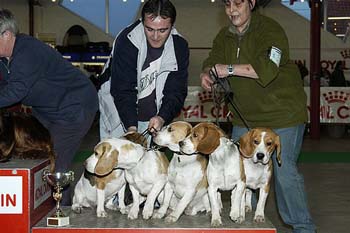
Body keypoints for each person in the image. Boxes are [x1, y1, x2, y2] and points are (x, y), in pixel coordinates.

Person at [200, 1, 316, 232]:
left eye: (238, 2)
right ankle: (248, 225)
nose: (232, 9)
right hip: (246, 120)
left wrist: (228, 69)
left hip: (283, 116)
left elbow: (266, 69)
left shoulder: (271, 30)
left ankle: (303, 227)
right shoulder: (224, 36)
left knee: (284, 173)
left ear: (251, 3)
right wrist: (207, 73)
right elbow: (212, 61)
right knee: (239, 172)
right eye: (227, 4)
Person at [0, 9, 98, 205]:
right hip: (47, 110)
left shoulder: (27, 50)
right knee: (35, 154)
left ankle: (61, 213)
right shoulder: (4, 59)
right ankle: (41, 209)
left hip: (74, 106)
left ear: (7, 35)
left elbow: (15, 92)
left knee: (54, 161)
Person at [99, 0, 189, 140]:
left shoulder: (180, 46)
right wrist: (131, 128)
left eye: (162, 30)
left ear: (172, 26)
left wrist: (162, 117)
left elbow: (176, 91)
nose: (155, 36)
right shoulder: (127, 40)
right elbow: (122, 89)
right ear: (142, 22)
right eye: (149, 29)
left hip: (156, 120)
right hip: (119, 116)